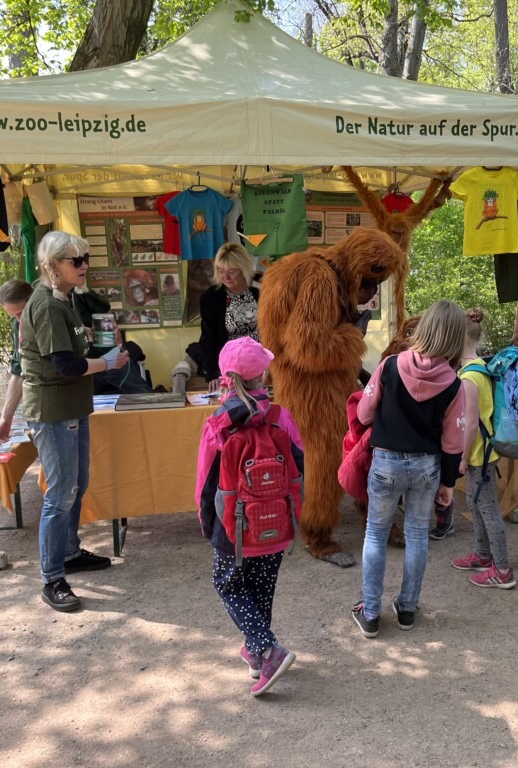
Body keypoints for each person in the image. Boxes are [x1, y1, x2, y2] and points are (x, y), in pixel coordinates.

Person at [21, 231, 129, 612]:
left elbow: (74, 351)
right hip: (54, 410)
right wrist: (108, 362)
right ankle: (52, 578)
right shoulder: (48, 305)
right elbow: (65, 365)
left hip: (71, 406)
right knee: (61, 492)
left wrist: (107, 346)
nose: (83, 265)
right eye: (75, 260)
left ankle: (68, 553)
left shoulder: (63, 299)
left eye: (84, 257)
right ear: (52, 265)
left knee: (75, 485)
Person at [194, 337, 303, 696]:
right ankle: (257, 654)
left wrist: (207, 523)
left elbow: (205, 483)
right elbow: (299, 466)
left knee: (226, 583)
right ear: (264, 374)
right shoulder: (279, 416)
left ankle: (268, 650)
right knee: (260, 589)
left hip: (234, 529)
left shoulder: (219, 424)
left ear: (226, 376)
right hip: (277, 523)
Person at [352, 300, 467, 636]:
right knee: (418, 535)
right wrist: (448, 482)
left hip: (386, 461)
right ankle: (406, 608)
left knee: (375, 533)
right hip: (427, 468)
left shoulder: (388, 366)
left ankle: (370, 613)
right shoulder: (454, 384)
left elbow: (363, 414)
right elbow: (453, 442)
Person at [451, 307, 516, 589]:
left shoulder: (468, 377)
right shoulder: (482, 368)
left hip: (479, 454)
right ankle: (482, 554)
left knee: (487, 509)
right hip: (486, 450)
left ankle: (502, 570)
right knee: (476, 505)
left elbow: (470, 424)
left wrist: (463, 458)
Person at [199, 243, 260, 393]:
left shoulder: (259, 291)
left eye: (232, 272)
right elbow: (208, 338)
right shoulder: (211, 298)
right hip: (229, 367)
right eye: (220, 271)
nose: (225, 277)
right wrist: (212, 374)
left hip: (260, 364)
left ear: (243, 269)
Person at [70, 287, 151, 395]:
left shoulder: (82, 294)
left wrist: (118, 343)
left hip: (108, 357)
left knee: (141, 394)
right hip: (85, 364)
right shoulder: (57, 303)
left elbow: (106, 313)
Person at [0, 279, 34, 442]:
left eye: (20, 312)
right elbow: (18, 371)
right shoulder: (19, 325)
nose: (18, 320)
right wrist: (5, 417)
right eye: (12, 316)